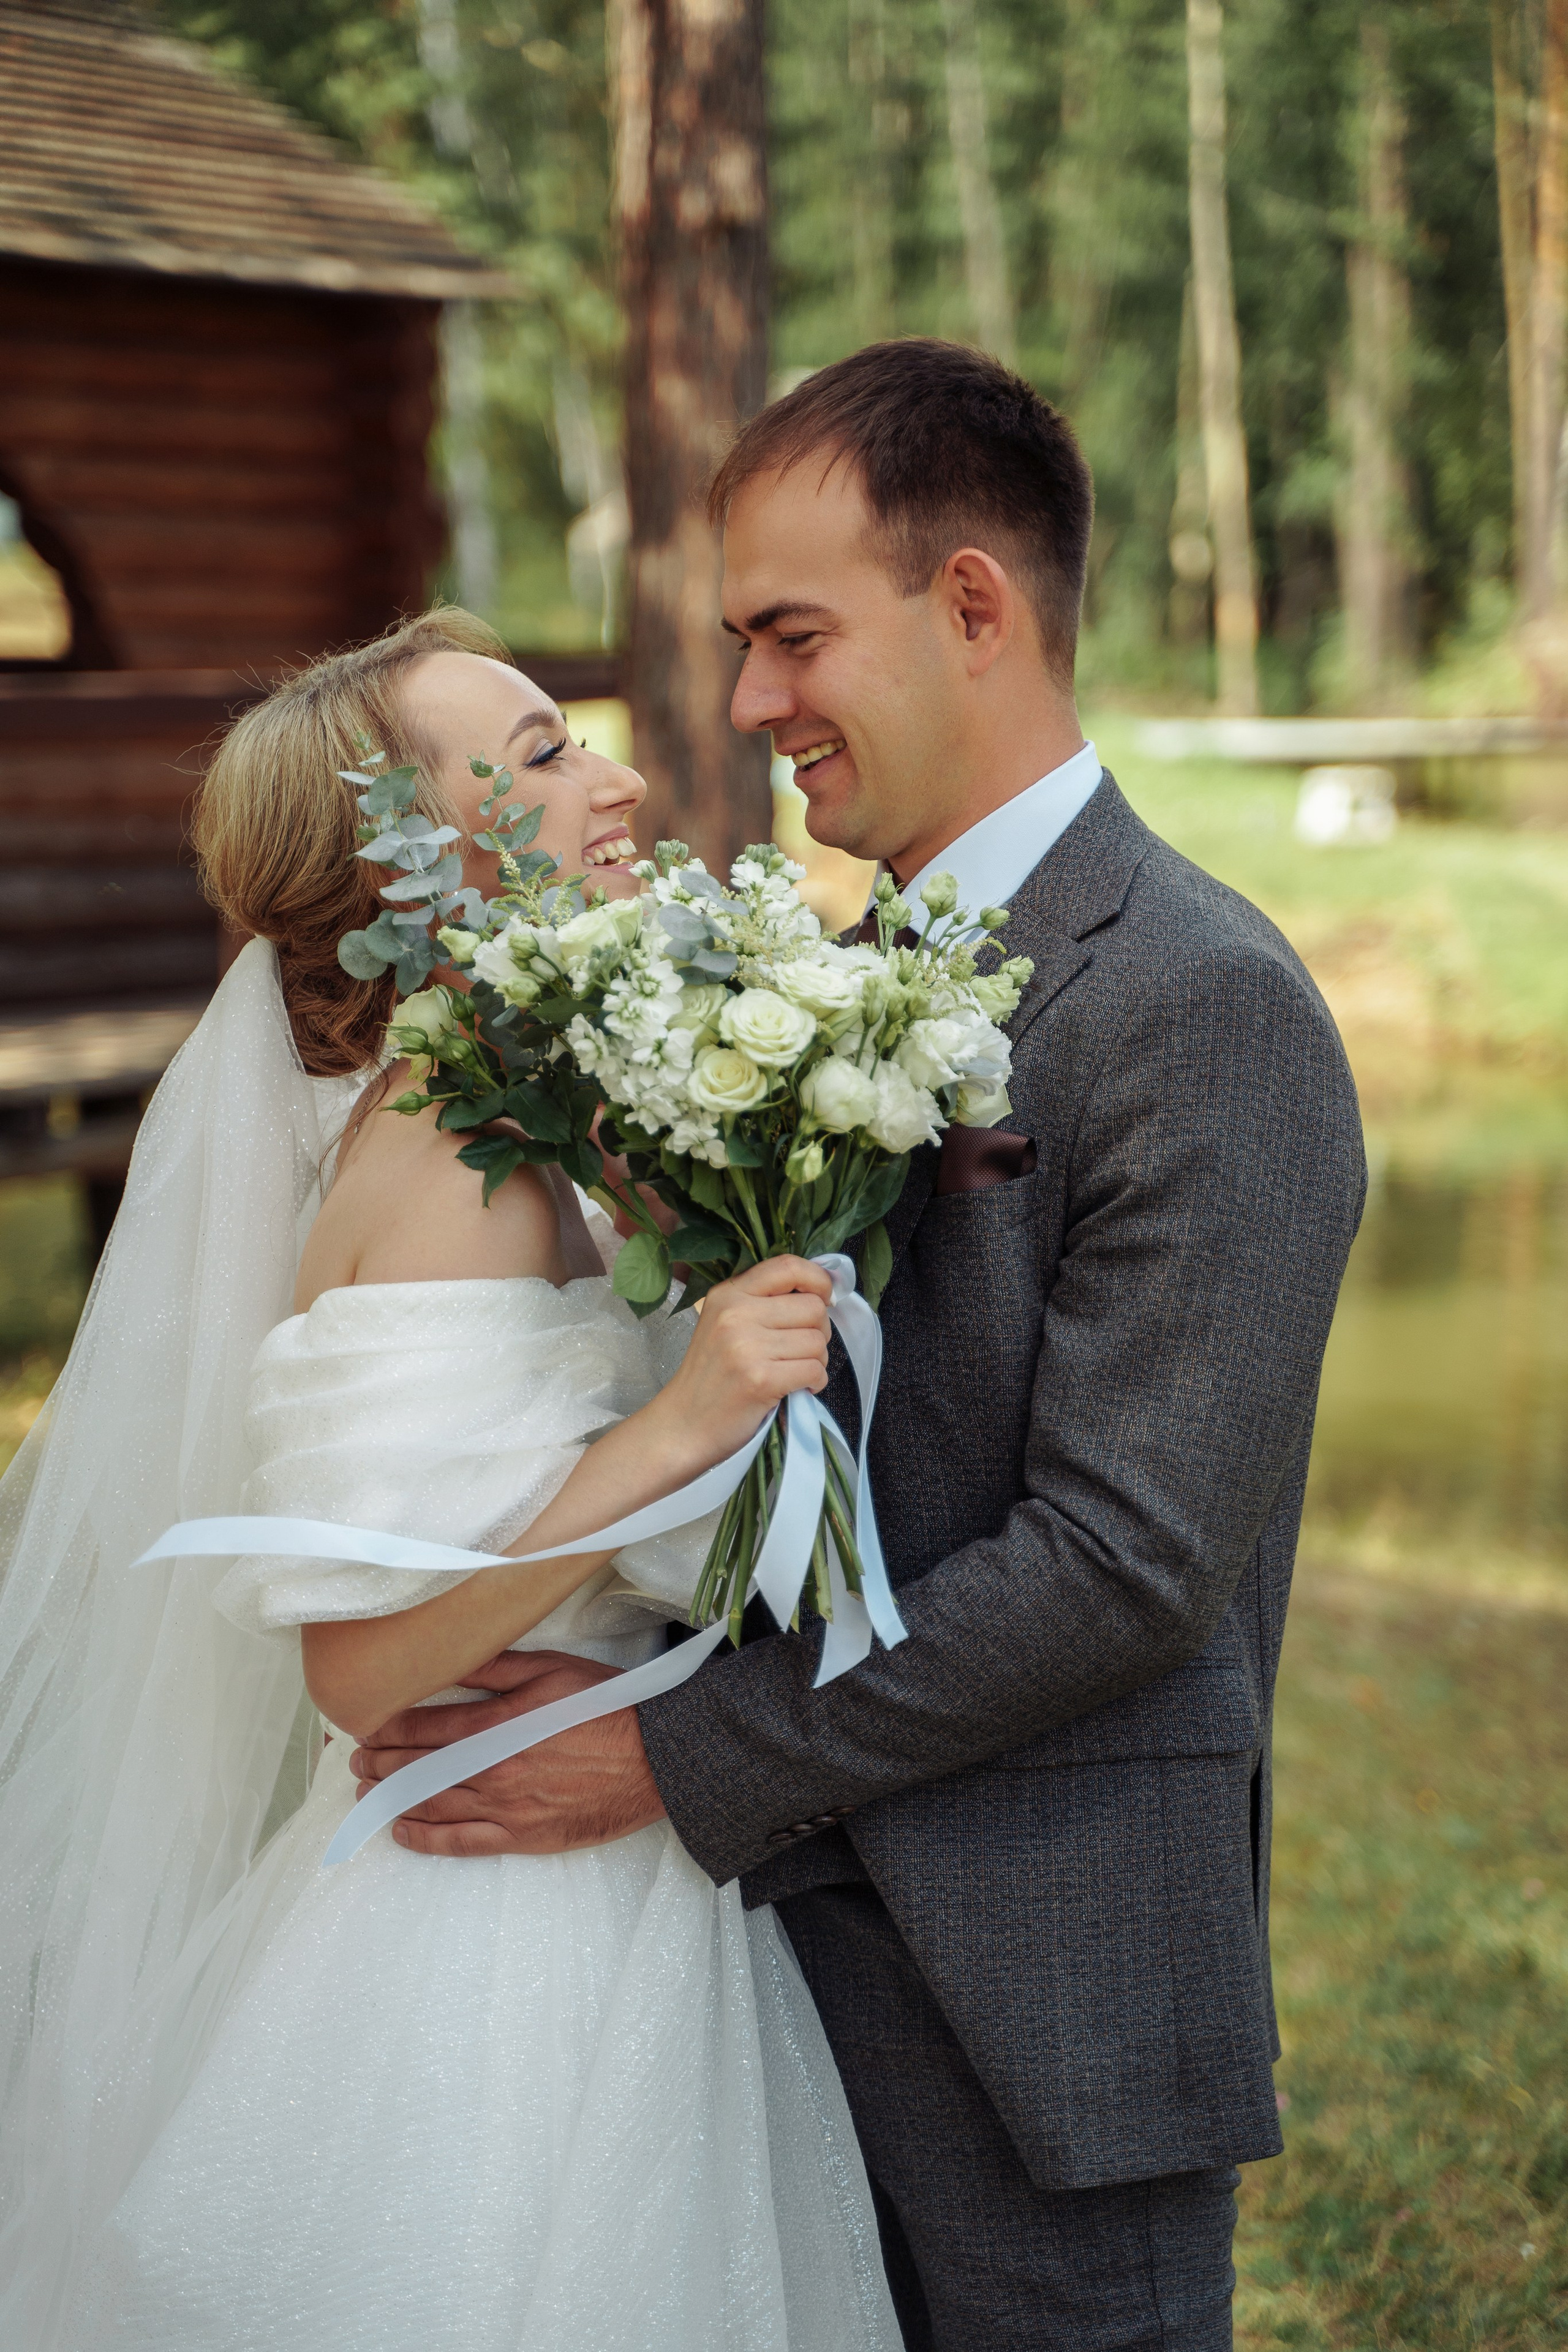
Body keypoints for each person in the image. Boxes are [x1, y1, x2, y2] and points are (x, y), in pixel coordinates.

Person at [352, 342, 1369, 2350]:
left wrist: (655, 1757)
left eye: (790, 637)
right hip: (754, 1976)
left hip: (1041, 1980)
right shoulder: (844, 971)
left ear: (973, 606)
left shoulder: (1205, 1002)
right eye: (742, 645)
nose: (747, 706)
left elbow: (1128, 1567)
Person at [0, 609, 902, 2351]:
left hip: (617, 1870)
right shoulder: (443, 1161)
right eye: (551, 754)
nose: (623, 779)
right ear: (406, 863)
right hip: (489, 1952)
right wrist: (670, 1428)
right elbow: (359, 1660)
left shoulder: (545, 1115)